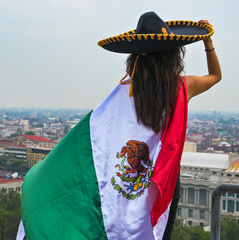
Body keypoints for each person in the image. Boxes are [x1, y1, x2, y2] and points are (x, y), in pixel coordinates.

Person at [19, 12, 221, 240]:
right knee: (158, 229)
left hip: (132, 184)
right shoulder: (182, 87)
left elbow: (98, 132)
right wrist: (208, 42)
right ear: (173, 54)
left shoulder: (125, 91)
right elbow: (215, 75)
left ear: (135, 57)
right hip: (164, 180)